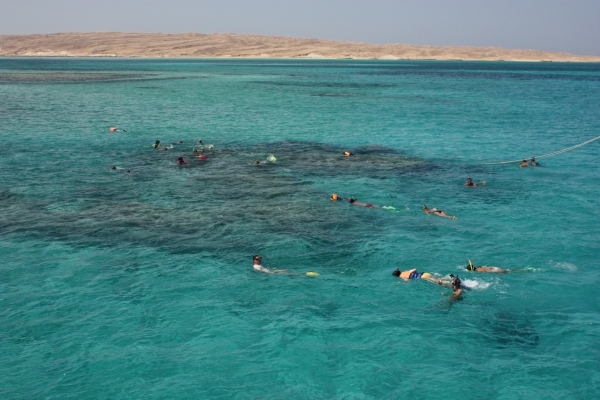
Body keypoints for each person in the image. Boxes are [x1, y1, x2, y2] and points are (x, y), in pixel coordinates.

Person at [465, 260, 531, 273]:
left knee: (511, 271)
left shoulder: (479, 271)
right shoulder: (479, 266)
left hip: (495, 270)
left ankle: (526, 270)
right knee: (510, 270)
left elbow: (486, 271)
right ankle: (526, 270)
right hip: (495, 268)